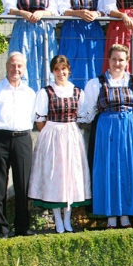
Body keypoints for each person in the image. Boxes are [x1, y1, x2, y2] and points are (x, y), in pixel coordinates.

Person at [79, 44, 133, 228]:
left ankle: (125, 215)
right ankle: (110, 216)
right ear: (108, 60)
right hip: (106, 130)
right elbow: (88, 110)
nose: (117, 63)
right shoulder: (95, 83)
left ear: (127, 61)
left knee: (128, 169)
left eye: (121, 60)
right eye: (114, 59)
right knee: (108, 169)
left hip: (129, 130)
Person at [28, 55, 91, 234]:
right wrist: (52, 134)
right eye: (57, 69)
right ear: (52, 71)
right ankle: (57, 219)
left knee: (70, 176)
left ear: (68, 70)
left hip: (71, 136)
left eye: (63, 69)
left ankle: (67, 219)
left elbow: (81, 117)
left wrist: (68, 131)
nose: (60, 72)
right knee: (54, 177)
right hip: (52, 136)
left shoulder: (78, 92)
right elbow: (40, 120)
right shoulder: (45, 92)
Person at [0, 52, 37, 238]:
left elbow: (32, 117)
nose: (15, 69)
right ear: (6, 66)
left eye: (19, 66)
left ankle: (22, 227)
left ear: (24, 69)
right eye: (12, 65)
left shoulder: (30, 93)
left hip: (22, 139)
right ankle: (1, 229)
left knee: (23, 185)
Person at [3, 0, 58, 93]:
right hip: (23, 31)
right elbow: (9, 9)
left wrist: (41, 13)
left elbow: (54, 11)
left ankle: (45, 96)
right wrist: (22, 13)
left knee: (44, 63)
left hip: (43, 32)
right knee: (22, 62)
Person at [57, 0, 106, 88]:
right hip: (72, 30)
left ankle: (93, 92)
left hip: (93, 31)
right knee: (72, 61)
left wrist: (96, 13)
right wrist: (79, 13)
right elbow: (62, 10)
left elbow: (104, 10)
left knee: (93, 61)